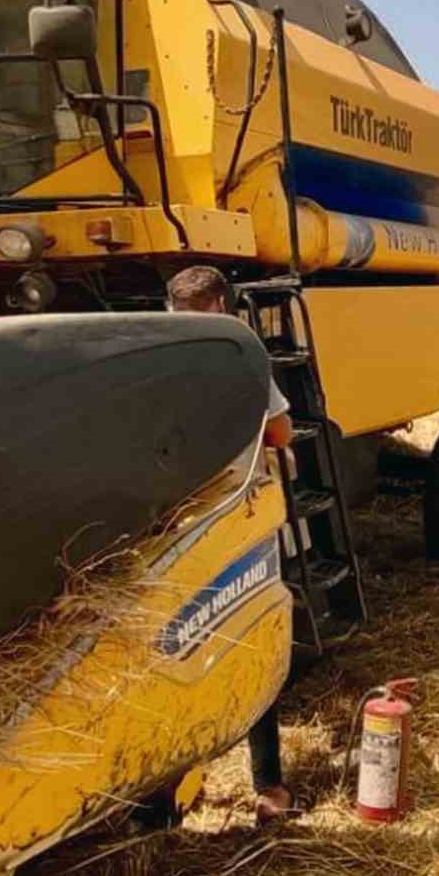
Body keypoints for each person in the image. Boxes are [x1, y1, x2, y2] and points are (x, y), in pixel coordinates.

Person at [166, 265, 295, 824]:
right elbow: (282, 433)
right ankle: (267, 786)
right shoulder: (241, 356)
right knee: (250, 643)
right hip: (235, 519)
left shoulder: (155, 363)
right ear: (222, 306)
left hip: (182, 528)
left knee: (179, 649)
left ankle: (166, 794)